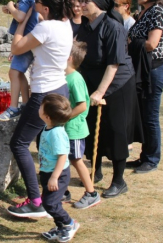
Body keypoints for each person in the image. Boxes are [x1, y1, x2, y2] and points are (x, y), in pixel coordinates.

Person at [6, 0, 73, 218]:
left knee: (19, 144)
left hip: (44, 94)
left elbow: (16, 46)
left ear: (44, 7)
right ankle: (57, 191)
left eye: (36, 1)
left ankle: (36, 200)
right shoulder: (66, 25)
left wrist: (22, 21)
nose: (33, 3)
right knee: (47, 143)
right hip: (60, 88)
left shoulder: (45, 27)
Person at [76, 0, 142, 198]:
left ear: (100, 4)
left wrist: (100, 92)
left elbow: (114, 64)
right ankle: (95, 171)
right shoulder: (85, 27)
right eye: (81, 0)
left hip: (117, 86)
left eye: (86, 0)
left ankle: (119, 180)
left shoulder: (113, 27)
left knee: (116, 130)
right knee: (94, 127)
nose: (82, 4)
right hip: (92, 85)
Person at [127, 0, 163, 174]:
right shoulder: (143, 13)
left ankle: (152, 159)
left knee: (150, 117)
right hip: (142, 69)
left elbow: (151, 44)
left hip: (153, 70)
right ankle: (145, 156)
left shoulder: (157, 11)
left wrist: (130, 44)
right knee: (143, 115)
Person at [0, 0, 41, 121]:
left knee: (13, 73)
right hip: (30, 42)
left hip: (24, 41)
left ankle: (13, 107)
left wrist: (10, 6)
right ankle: (26, 104)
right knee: (19, 72)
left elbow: (21, 17)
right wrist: (11, 10)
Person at [35, 94, 80, 242]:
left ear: (47, 116)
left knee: (50, 203)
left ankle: (69, 224)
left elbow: (62, 156)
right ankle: (60, 227)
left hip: (58, 175)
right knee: (51, 202)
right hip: (47, 172)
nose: (39, 107)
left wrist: (54, 177)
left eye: (41, 106)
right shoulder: (47, 127)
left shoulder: (57, 133)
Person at [62, 41, 101, 209]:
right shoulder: (65, 76)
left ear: (69, 58)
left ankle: (91, 193)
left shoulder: (75, 79)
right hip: (65, 128)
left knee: (76, 160)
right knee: (62, 159)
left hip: (74, 129)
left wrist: (65, 117)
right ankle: (63, 192)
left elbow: (82, 105)